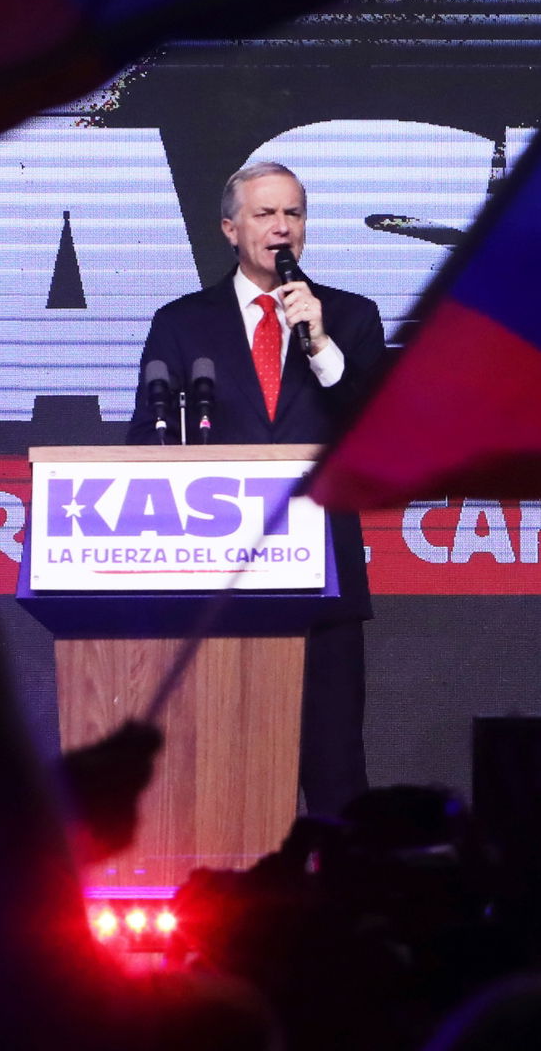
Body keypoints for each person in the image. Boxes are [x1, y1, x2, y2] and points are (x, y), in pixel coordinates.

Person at [128, 161, 387, 816]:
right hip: (218, 585)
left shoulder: (351, 318)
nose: (281, 228)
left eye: (293, 214)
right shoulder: (184, 325)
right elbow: (144, 447)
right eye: (266, 214)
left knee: (333, 776)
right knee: (224, 778)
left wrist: (322, 345)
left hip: (322, 581)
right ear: (230, 228)